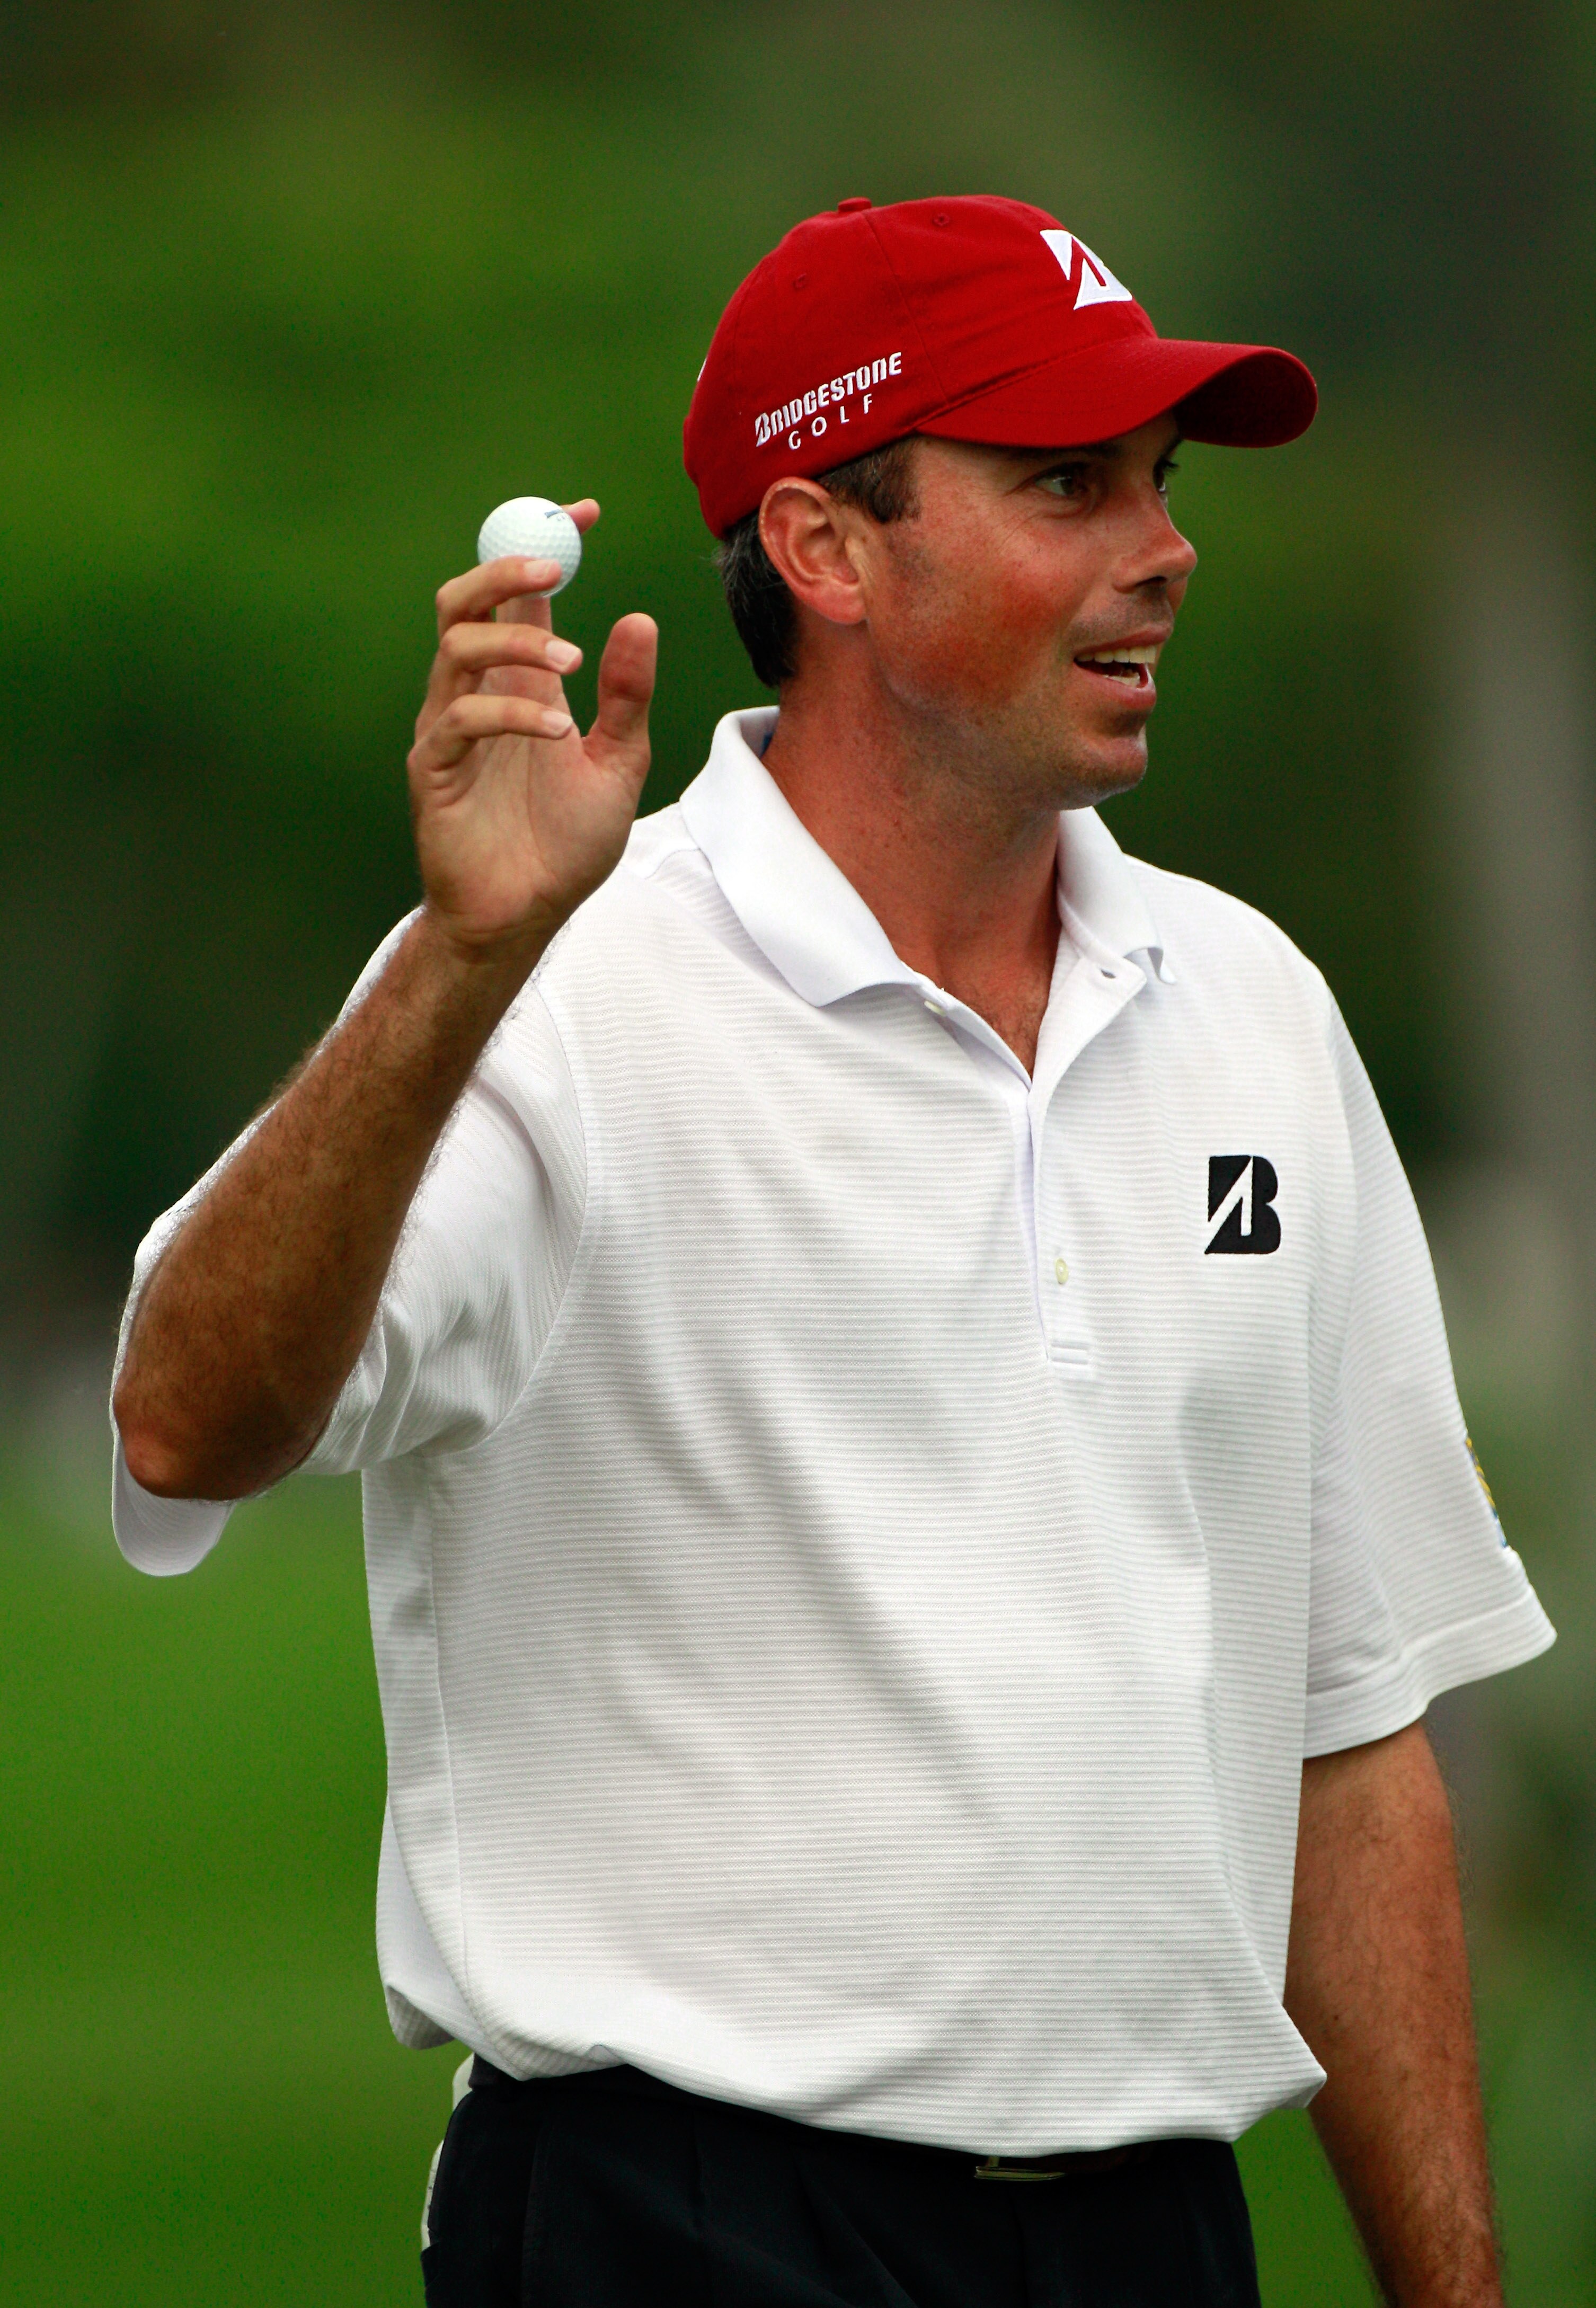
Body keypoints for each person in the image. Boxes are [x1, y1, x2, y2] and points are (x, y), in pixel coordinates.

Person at [111, 195, 1553, 2307]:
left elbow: (1349, 1738)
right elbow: (184, 1417)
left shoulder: (1256, 1010)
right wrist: (459, 961)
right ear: (828, 551)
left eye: (1160, 482)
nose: (1164, 547)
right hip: (677, 2232)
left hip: (1158, 2237)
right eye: (1070, 485)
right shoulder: (558, 991)